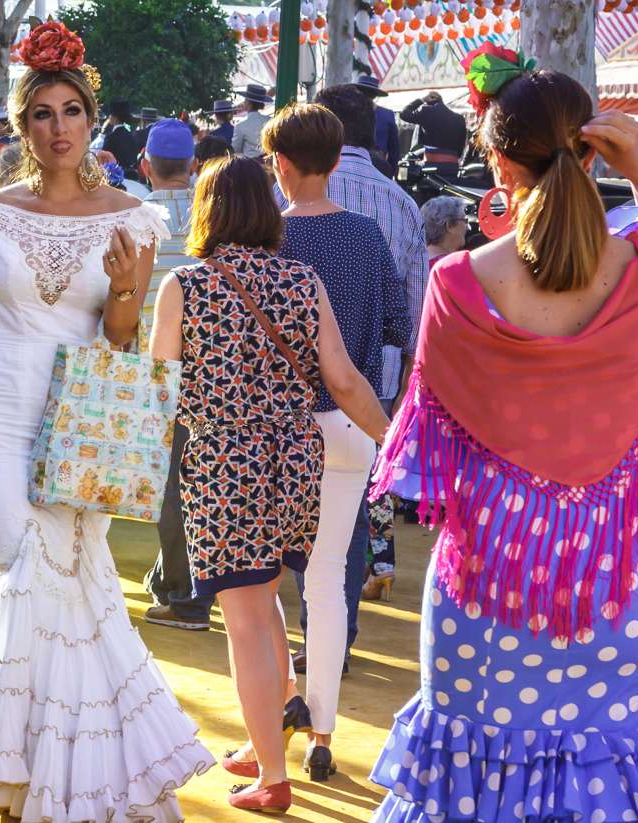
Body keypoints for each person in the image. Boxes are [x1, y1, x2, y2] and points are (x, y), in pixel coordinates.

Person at [365, 55, 638, 818]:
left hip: (488, 589)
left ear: (496, 157)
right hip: (615, 591)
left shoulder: (458, 284)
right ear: (591, 150)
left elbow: (428, 459)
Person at [0, 23, 214, 820]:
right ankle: (21, 779)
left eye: (72, 111)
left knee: (73, 588)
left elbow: (121, 342)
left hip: (82, 430)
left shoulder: (133, 220)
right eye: (43, 113)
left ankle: (63, 783)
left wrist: (126, 290)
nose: (60, 126)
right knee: (22, 574)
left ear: (91, 121)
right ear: (22, 124)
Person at [150, 153, 385, 813]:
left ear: (208, 211)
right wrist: (392, 439)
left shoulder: (186, 287)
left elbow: (157, 393)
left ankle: (272, 778)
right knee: (269, 597)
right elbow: (342, 379)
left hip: (225, 464)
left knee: (245, 617)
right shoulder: (302, 280)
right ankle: (263, 740)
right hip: (294, 461)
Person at [254, 103, 408, 779]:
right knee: (328, 583)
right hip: (354, 423)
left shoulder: (268, 240)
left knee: (260, 581)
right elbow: (400, 324)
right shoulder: (369, 235)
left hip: (283, 429)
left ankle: (287, 701)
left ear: (281, 165)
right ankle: (321, 730)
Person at [282, 83, 426, 676]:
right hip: (365, 397)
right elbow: (405, 318)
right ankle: (335, 633)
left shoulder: (273, 219)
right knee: (350, 522)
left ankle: (311, 639)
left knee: (291, 522)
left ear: (283, 159)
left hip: (285, 405)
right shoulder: (388, 214)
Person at [134, 119, 210, 632]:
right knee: (197, 480)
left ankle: (184, 594)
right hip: (212, 369)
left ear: (144, 165)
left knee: (169, 486)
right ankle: (175, 580)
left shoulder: (134, 219)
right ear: (194, 166)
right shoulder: (214, 217)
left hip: (153, 370)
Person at [399, 92, 468, 174]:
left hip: (430, 164)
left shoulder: (426, 111)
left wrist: (422, 100)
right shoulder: (459, 119)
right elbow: (461, 146)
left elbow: (404, 114)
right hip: (452, 166)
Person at [355, 75, 401, 171]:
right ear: (375, 95)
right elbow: (394, 151)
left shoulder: (349, 112)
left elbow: (394, 150)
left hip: (356, 162)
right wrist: (390, 171)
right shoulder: (387, 114)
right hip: (377, 165)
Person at [420, 195, 469, 268]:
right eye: (465, 221)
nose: (467, 227)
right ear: (449, 226)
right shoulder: (453, 267)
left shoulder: (413, 264)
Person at [231, 84, 274, 158]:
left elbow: (235, 149)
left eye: (245, 100)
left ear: (248, 103)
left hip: (250, 166)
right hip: (269, 164)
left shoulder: (240, 125)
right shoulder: (270, 121)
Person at [100, 100, 140, 174]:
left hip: (115, 175)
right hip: (131, 174)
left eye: (111, 115)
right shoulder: (131, 136)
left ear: (115, 118)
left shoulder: (111, 137)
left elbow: (104, 157)